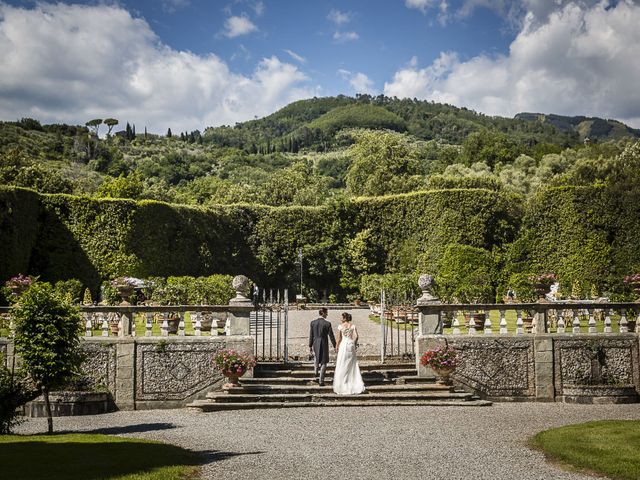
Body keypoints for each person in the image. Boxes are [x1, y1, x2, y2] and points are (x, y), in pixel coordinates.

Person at [333, 312, 365, 395]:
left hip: (344, 345)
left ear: (344, 318)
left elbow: (338, 338)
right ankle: (353, 383)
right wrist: (354, 342)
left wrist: (337, 346)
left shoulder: (340, 326)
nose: (340, 319)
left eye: (341, 317)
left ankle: (343, 384)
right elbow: (356, 336)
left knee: (342, 363)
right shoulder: (353, 326)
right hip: (350, 344)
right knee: (352, 364)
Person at [308, 307, 336, 386]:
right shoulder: (327, 323)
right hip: (324, 342)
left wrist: (310, 345)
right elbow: (331, 336)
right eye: (326, 313)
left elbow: (311, 335)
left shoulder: (313, 323)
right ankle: (321, 380)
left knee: (316, 357)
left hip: (315, 342)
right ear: (323, 313)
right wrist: (335, 345)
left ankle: (316, 372)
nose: (327, 314)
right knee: (324, 361)